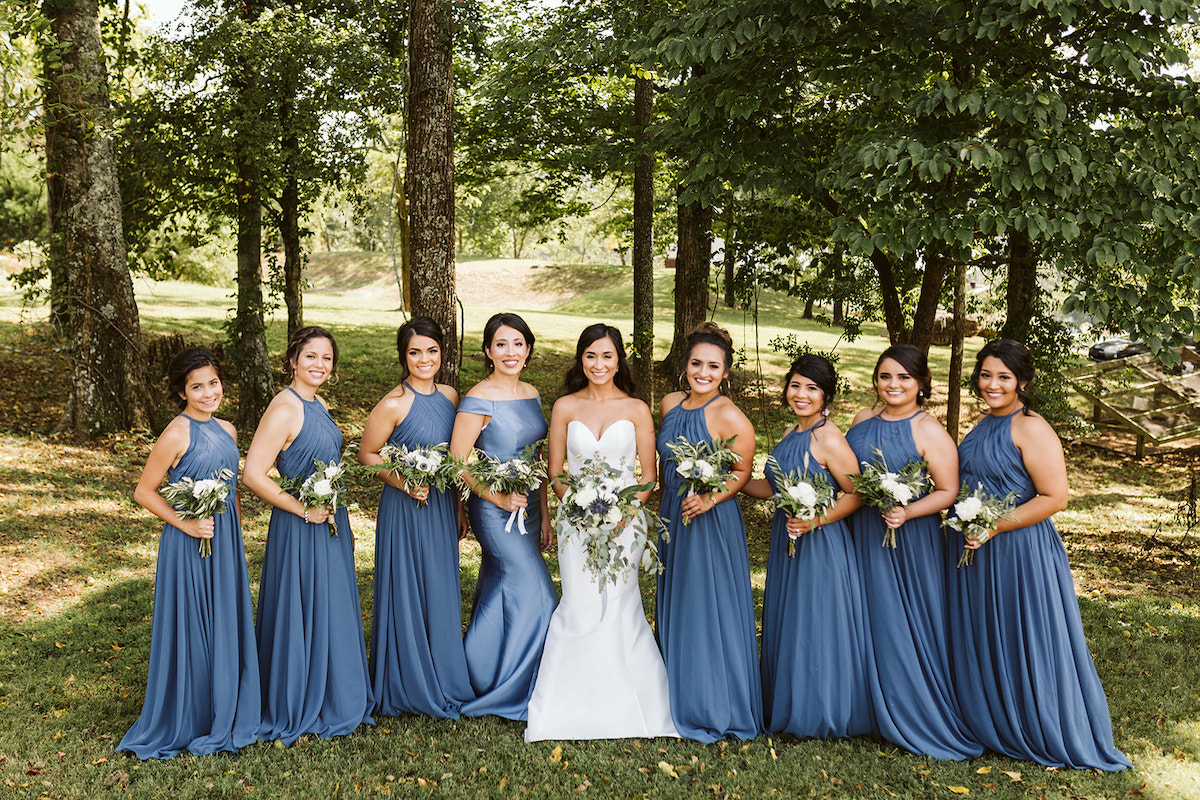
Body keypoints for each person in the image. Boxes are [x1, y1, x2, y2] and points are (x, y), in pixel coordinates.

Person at [948, 340, 1130, 770]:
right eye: (986, 374)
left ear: (1023, 382)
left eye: (1004, 377)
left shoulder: (1031, 427)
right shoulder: (983, 423)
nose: (992, 384)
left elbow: (1055, 497)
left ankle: (1040, 724)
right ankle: (994, 717)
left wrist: (995, 524)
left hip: (1020, 550)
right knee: (988, 633)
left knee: (1024, 633)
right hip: (978, 547)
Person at [525, 324, 678, 741]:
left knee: (621, 601)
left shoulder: (636, 409)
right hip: (575, 523)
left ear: (619, 360)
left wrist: (625, 512)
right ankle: (568, 704)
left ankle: (630, 701)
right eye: (591, 355)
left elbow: (649, 476)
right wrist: (575, 507)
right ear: (581, 359)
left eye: (607, 356)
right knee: (580, 599)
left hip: (626, 523)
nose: (599, 364)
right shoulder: (564, 407)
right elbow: (556, 472)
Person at [118, 348, 260, 759]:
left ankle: (227, 702)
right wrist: (186, 524)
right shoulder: (176, 434)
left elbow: (230, 488)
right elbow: (143, 491)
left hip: (225, 538)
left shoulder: (229, 430)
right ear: (182, 392)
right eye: (196, 386)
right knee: (194, 621)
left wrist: (235, 537)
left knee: (225, 618)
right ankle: (192, 712)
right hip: (189, 540)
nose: (207, 392)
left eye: (212, 383)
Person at [845, 344, 982, 760]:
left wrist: (907, 511)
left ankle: (912, 707)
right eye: (886, 376)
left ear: (921, 384)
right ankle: (863, 706)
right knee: (861, 614)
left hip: (908, 538)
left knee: (901, 619)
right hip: (860, 529)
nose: (893, 385)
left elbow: (948, 490)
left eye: (904, 377)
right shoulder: (861, 419)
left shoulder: (929, 430)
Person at [243, 326, 373, 744]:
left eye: (327, 358)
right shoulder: (285, 407)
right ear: (293, 360)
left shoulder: (316, 402)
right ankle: (301, 697)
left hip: (329, 519)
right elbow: (252, 474)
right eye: (311, 356)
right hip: (300, 523)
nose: (319, 364)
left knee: (331, 605)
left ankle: (337, 691)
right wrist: (302, 509)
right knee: (304, 606)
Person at [741, 354, 871, 740]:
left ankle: (821, 710)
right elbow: (772, 487)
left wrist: (816, 520)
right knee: (791, 620)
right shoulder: (789, 433)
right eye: (795, 385)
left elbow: (858, 492)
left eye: (811, 388)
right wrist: (730, 481)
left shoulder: (828, 437)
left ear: (825, 396)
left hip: (821, 542)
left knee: (816, 622)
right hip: (788, 538)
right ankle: (791, 701)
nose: (801, 394)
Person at [358, 317, 475, 719]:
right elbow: (367, 455)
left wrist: (460, 508)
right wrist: (402, 482)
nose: (424, 359)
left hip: (441, 505)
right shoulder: (393, 403)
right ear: (403, 356)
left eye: (431, 351)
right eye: (414, 352)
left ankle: (443, 675)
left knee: (440, 586)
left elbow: (456, 458)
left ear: (442, 353)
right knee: (407, 588)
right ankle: (407, 679)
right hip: (406, 508)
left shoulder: (451, 395)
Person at [656, 321, 762, 742]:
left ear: (726, 371)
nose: (703, 372)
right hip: (672, 515)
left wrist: (709, 498)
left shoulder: (730, 415)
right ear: (684, 365)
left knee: (706, 606)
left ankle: (715, 702)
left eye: (713, 366)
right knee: (678, 600)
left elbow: (741, 472)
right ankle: (676, 689)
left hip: (708, 520)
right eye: (696, 363)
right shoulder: (668, 404)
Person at [451, 313, 557, 721]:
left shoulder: (531, 393)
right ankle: (516, 689)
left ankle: (478, 671)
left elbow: (539, 459)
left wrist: (543, 514)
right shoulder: (478, 398)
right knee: (539, 593)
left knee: (499, 589)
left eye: (517, 344)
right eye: (501, 344)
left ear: (528, 350)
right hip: (494, 510)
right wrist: (494, 497)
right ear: (487, 351)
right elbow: (457, 462)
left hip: (528, 508)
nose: (510, 352)